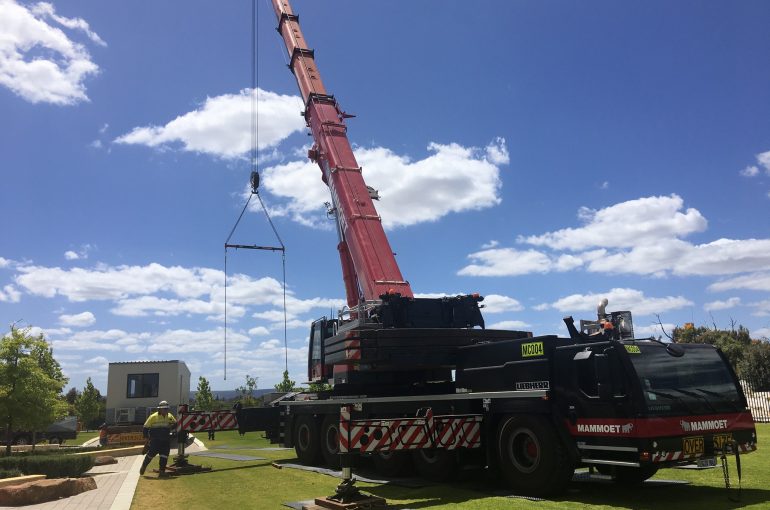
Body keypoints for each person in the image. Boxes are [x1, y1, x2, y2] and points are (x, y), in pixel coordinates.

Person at [138, 400, 177, 477]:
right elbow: (145, 427)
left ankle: (162, 472)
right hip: (155, 440)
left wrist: (172, 427)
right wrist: (146, 438)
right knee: (150, 455)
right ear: (159, 409)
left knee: (164, 456)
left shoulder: (170, 416)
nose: (166, 410)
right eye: (164, 409)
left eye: (166, 408)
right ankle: (144, 466)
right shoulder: (153, 417)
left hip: (165, 440)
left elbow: (175, 423)